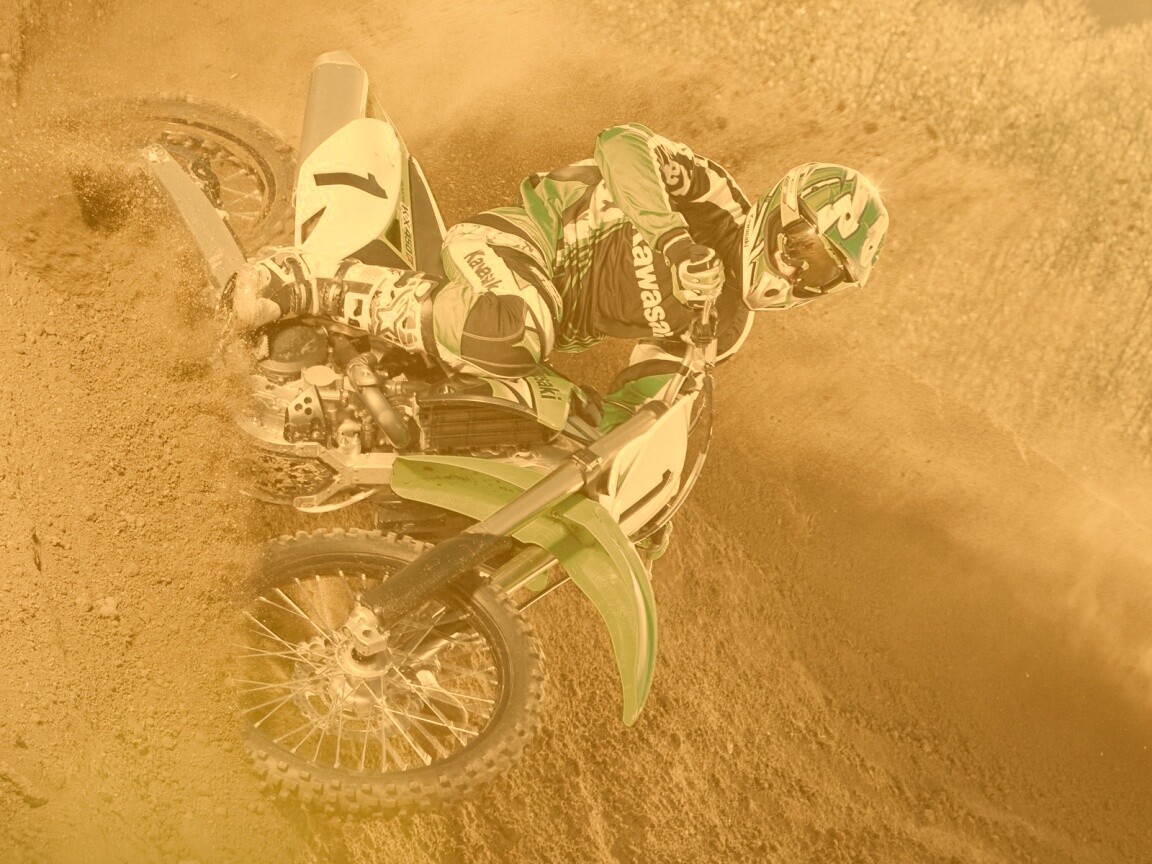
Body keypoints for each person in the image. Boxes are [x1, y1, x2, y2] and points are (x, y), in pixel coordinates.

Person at [232, 123, 889, 431]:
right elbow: (622, 144)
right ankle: (304, 279)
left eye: (822, 273)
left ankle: (343, 422)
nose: (797, 272)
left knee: (544, 425)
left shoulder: (725, 328)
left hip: (537, 327)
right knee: (519, 329)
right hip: (520, 245)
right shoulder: (714, 200)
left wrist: (637, 494)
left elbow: (643, 402)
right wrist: (671, 237)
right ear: (781, 210)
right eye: (804, 245)